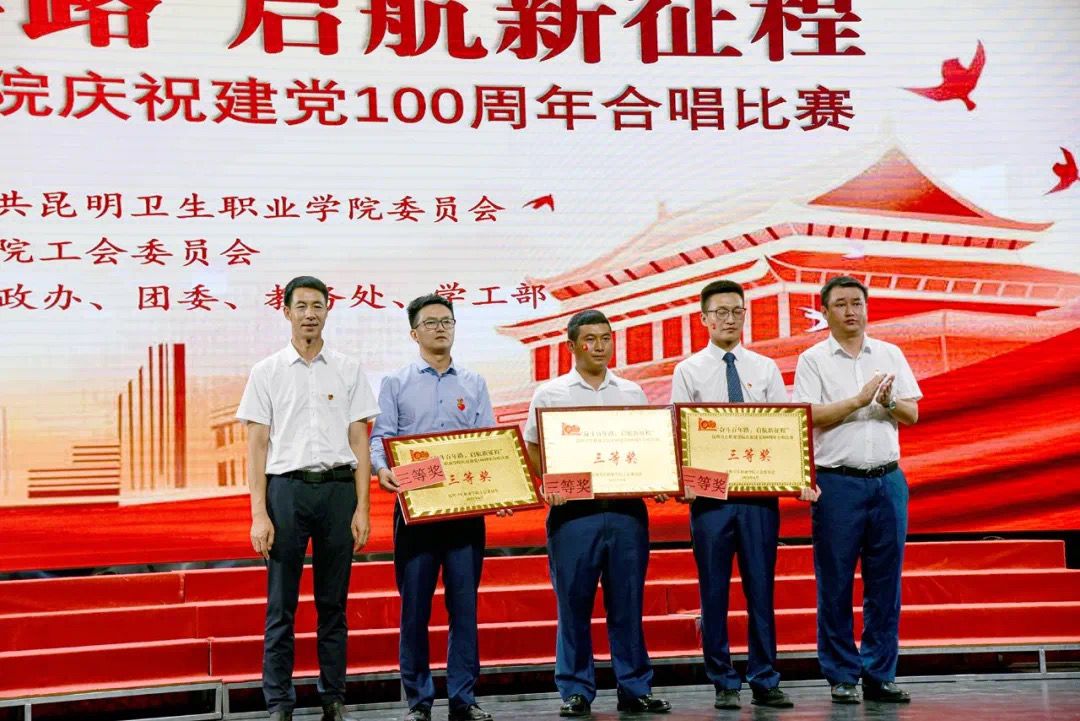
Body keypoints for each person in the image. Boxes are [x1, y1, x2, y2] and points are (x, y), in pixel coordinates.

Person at [670, 280, 819, 710]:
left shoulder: (765, 368)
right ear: (704, 318)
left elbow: (783, 431)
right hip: (710, 500)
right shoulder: (688, 371)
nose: (730, 319)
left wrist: (797, 475)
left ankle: (765, 678)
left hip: (758, 499)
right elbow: (679, 432)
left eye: (737, 311)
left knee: (761, 590)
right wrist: (684, 482)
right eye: (721, 312)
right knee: (713, 592)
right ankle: (723, 681)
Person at [238, 275, 379, 721]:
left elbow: (359, 441)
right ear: (286, 312)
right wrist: (259, 514)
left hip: (338, 491)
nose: (309, 314)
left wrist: (363, 508)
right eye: (301, 306)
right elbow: (257, 446)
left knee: (333, 604)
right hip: (286, 492)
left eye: (317, 306)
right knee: (281, 605)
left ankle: (333, 697)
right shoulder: (266, 372)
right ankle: (279, 702)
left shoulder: (348, 369)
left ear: (328, 310)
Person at [523, 309, 672, 718]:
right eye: (590, 339)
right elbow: (533, 445)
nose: (599, 346)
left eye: (606, 338)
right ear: (571, 346)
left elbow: (649, 447)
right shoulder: (551, 394)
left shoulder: (632, 393)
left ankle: (634, 687)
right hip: (574, 517)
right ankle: (575, 690)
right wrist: (548, 483)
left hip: (626, 513)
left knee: (628, 603)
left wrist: (656, 477)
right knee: (573, 605)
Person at [369, 294, 500, 721]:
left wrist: (501, 488)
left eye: (447, 321)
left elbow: (489, 442)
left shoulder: (474, 383)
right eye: (430, 322)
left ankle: (464, 698)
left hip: (464, 514)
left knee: (464, 609)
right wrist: (382, 469)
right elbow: (380, 437)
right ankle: (419, 702)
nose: (440, 328)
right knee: (415, 610)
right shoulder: (396, 382)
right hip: (416, 512)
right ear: (414, 333)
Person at [792, 276, 921, 705]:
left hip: (887, 481)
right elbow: (808, 416)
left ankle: (880, 674)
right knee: (835, 584)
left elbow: (912, 413)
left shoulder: (890, 353)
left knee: (885, 585)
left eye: (857, 303)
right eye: (841, 304)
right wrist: (859, 400)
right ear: (824, 312)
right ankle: (842, 675)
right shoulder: (812, 359)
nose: (851, 311)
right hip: (837, 483)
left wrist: (887, 402)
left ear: (867, 309)